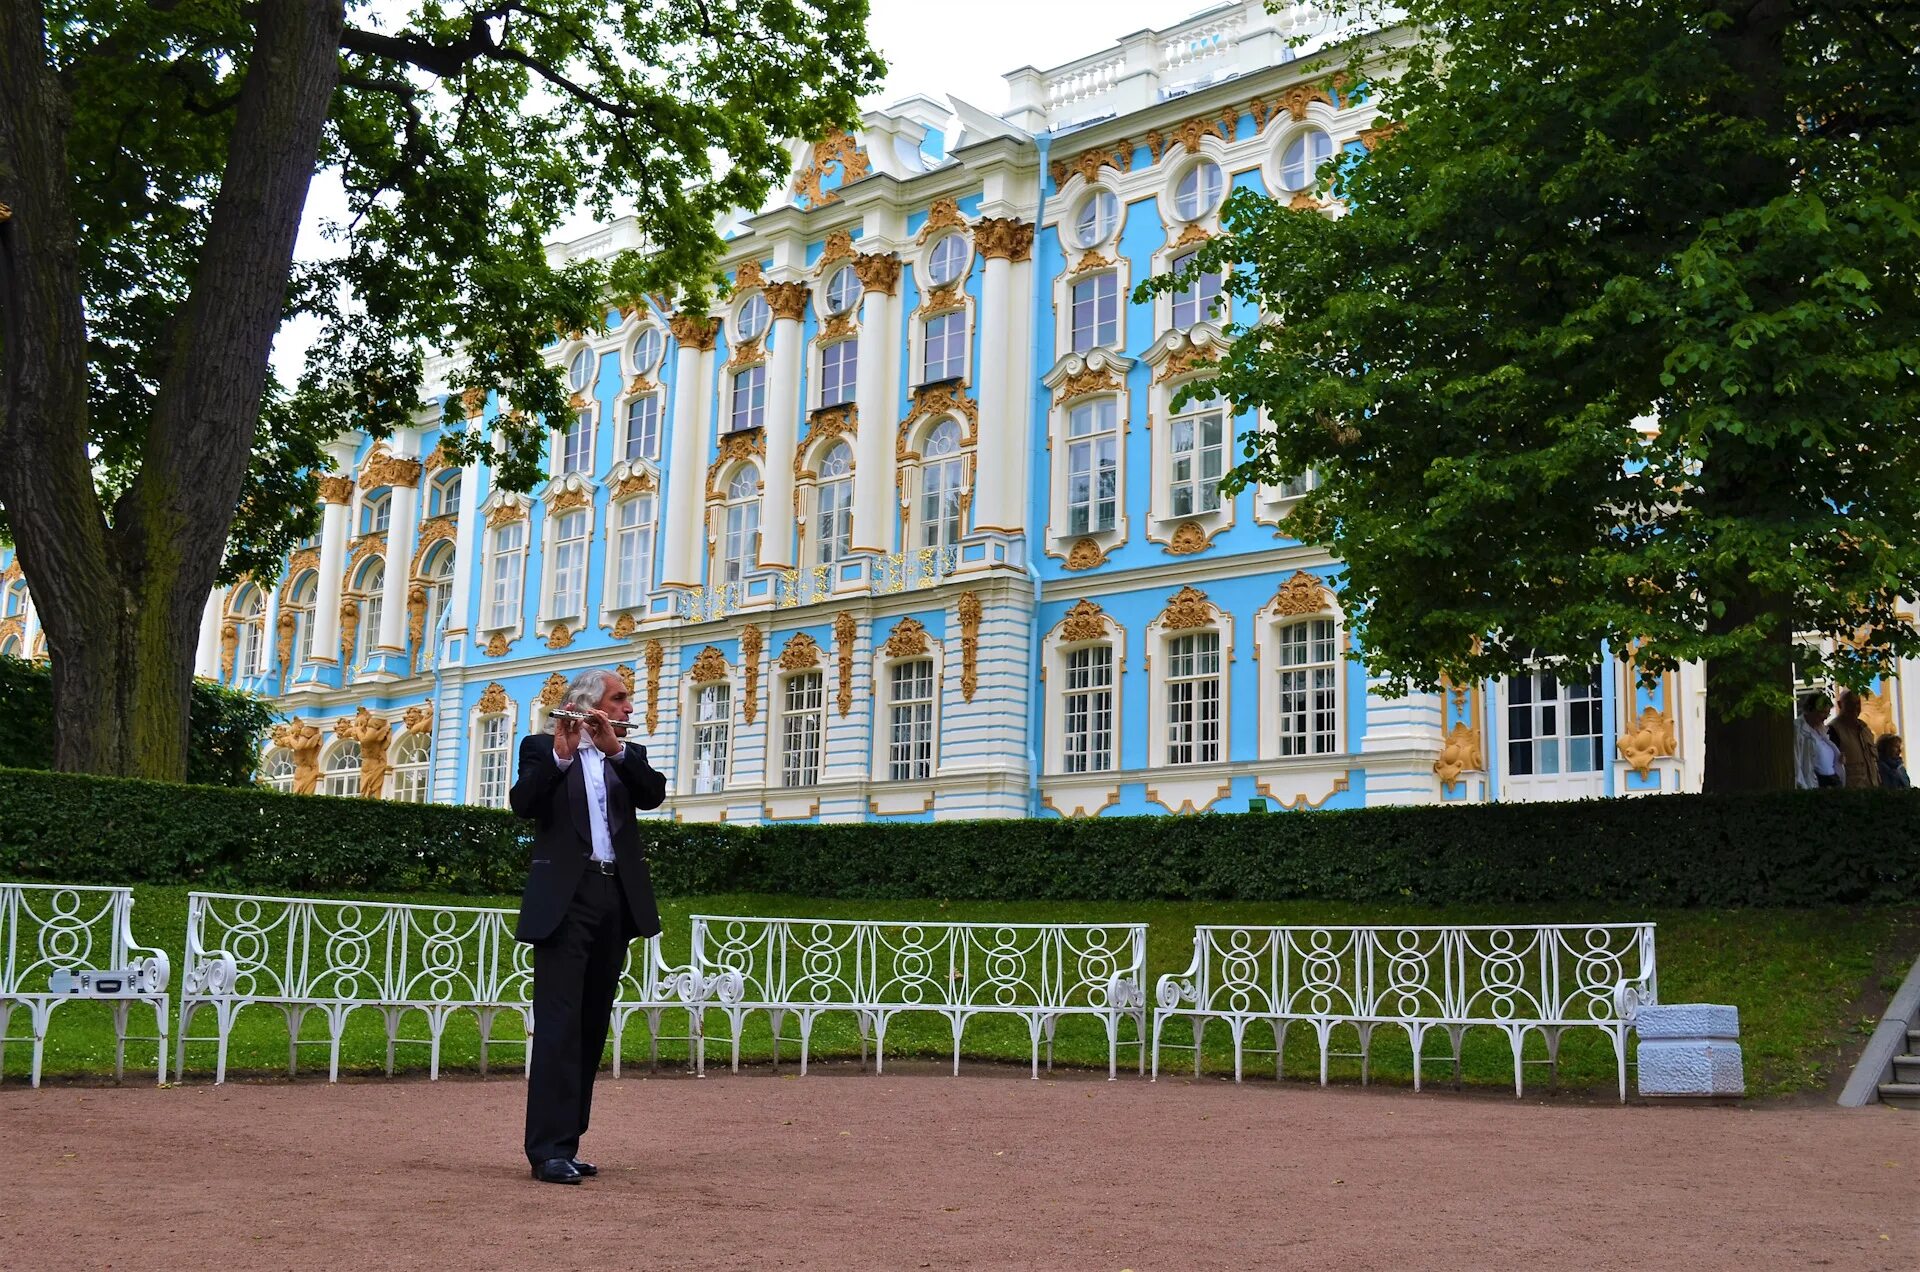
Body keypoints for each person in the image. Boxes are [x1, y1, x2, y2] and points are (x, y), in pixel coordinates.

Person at [508, 668, 666, 1184]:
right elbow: (523, 804)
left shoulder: (629, 754)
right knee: (558, 1023)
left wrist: (615, 751)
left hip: (613, 897)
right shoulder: (542, 747)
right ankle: (546, 1150)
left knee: (592, 1021)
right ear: (590, 703)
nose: (627, 709)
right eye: (620, 700)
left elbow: (653, 795)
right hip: (565, 900)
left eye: (626, 702)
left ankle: (568, 1142)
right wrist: (563, 754)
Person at [1827, 689, 1880, 789]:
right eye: (1850, 703)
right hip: (1851, 795)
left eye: (1857, 703)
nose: (1855, 707)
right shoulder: (1833, 730)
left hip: (1872, 791)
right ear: (1840, 704)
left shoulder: (1865, 729)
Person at [1793, 692, 1842, 789]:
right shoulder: (1797, 729)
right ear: (1810, 710)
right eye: (1822, 712)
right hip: (1815, 784)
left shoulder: (1821, 730)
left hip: (1832, 782)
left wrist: (1838, 759)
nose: (1825, 717)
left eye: (1827, 713)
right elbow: (1796, 763)